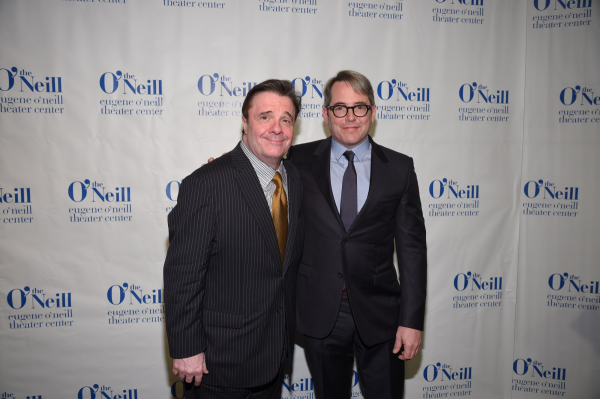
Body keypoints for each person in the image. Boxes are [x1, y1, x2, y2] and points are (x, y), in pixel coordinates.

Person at [288, 70, 427, 399]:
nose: (350, 117)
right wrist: (228, 169)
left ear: (373, 112)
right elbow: (258, 177)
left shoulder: (399, 168)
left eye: (360, 107)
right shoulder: (297, 160)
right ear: (325, 114)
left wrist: (412, 321)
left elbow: (411, 250)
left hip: (382, 315)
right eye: (340, 108)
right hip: (320, 312)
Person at [163, 79, 305, 399]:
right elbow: (183, 276)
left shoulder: (295, 179)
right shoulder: (207, 184)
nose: (277, 128)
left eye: (286, 119)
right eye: (265, 116)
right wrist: (186, 349)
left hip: (272, 358)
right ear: (245, 122)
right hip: (218, 365)